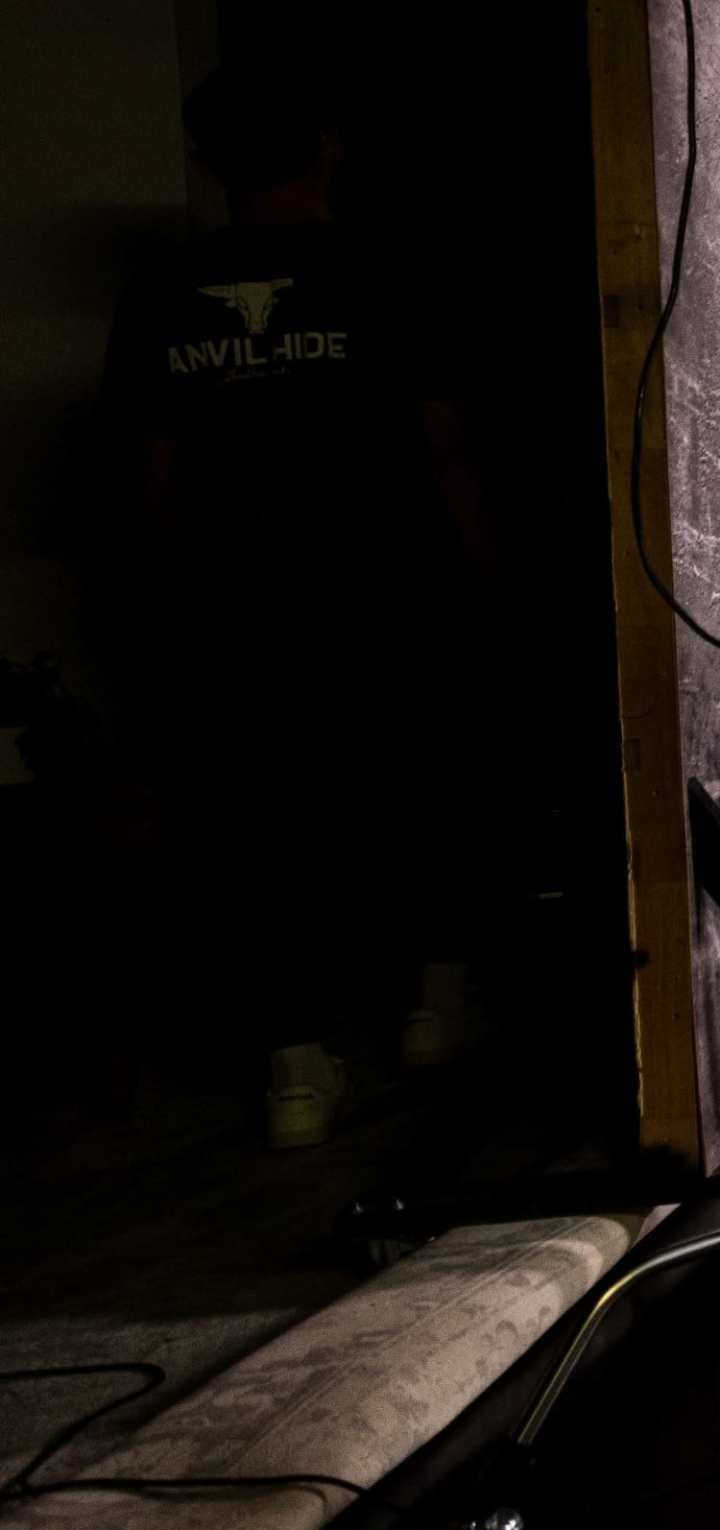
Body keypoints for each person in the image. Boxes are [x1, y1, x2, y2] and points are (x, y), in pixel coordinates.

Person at [100, 65, 496, 1134]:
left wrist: (173, 602)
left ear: (208, 163)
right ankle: (433, 1006)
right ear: (327, 148)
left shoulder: (163, 289)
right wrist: (478, 577)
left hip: (239, 593)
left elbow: (152, 477)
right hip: (384, 577)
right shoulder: (390, 270)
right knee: (412, 785)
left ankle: (296, 1068)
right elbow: (442, 443)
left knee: (262, 820)